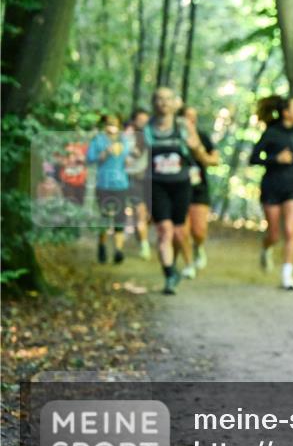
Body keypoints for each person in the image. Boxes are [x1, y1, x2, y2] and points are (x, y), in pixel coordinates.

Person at [147, 87, 208, 294]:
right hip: (156, 185)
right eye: (159, 99)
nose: (163, 103)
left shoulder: (183, 126)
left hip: (181, 185)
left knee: (180, 232)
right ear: (154, 103)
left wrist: (194, 147)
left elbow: (200, 153)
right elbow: (135, 158)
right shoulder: (146, 128)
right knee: (165, 230)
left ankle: (184, 262)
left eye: (167, 99)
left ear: (175, 103)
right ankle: (169, 274)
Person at [250, 95, 293, 291]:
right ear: (286, 112)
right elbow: (254, 158)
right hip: (272, 186)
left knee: (290, 231)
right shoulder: (271, 132)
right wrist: (275, 158)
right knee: (275, 233)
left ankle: (287, 276)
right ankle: (267, 247)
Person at [86, 114, 132, 264]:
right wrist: (104, 153)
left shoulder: (124, 140)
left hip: (121, 184)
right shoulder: (98, 140)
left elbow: (128, 159)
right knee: (105, 218)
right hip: (103, 184)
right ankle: (102, 246)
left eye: (115, 123)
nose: (112, 126)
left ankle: (118, 250)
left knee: (120, 218)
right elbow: (90, 159)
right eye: (109, 123)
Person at [182, 105, 220, 271]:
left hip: (199, 187)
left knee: (199, 230)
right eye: (187, 116)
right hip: (178, 188)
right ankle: (188, 263)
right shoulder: (172, 138)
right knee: (182, 230)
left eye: (194, 117)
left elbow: (214, 160)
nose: (192, 120)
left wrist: (198, 151)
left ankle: (198, 247)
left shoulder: (203, 137)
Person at [124, 109, 152, 259]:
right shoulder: (127, 137)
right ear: (134, 121)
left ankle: (140, 235)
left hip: (149, 180)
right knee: (139, 211)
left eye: (146, 121)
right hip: (132, 179)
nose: (143, 123)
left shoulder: (151, 136)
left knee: (146, 214)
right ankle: (144, 245)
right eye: (140, 120)